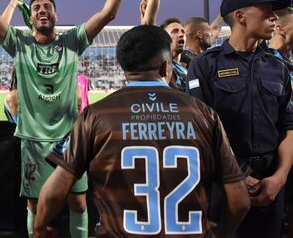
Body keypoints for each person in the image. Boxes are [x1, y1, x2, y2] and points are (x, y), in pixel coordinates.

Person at [0, 0, 141, 237]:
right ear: (30, 18)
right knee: (35, 207)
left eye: (47, 6)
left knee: (79, 204)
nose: (42, 9)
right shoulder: (18, 43)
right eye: (36, 8)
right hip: (33, 140)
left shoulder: (73, 41)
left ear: (56, 15)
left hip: (70, 139)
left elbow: (108, 13)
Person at [34, 25, 250, 238]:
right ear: (166, 66)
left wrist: (39, 228)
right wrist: (221, 232)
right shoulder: (204, 114)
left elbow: (57, 188)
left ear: (124, 68)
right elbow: (239, 199)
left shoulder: (96, 115)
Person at [187, 0, 293, 238]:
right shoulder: (205, 65)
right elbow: (200, 130)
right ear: (241, 17)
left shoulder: (278, 68)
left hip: (271, 186)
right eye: (266, 11)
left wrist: (279, 178)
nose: (274, 18)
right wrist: (240, 177)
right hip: (222, 185)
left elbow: (289, 127)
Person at [160, 18, 187, 91]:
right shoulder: (160, 67)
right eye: (175, 31)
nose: (181, 34)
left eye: (183, 32)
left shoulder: (187, 68)